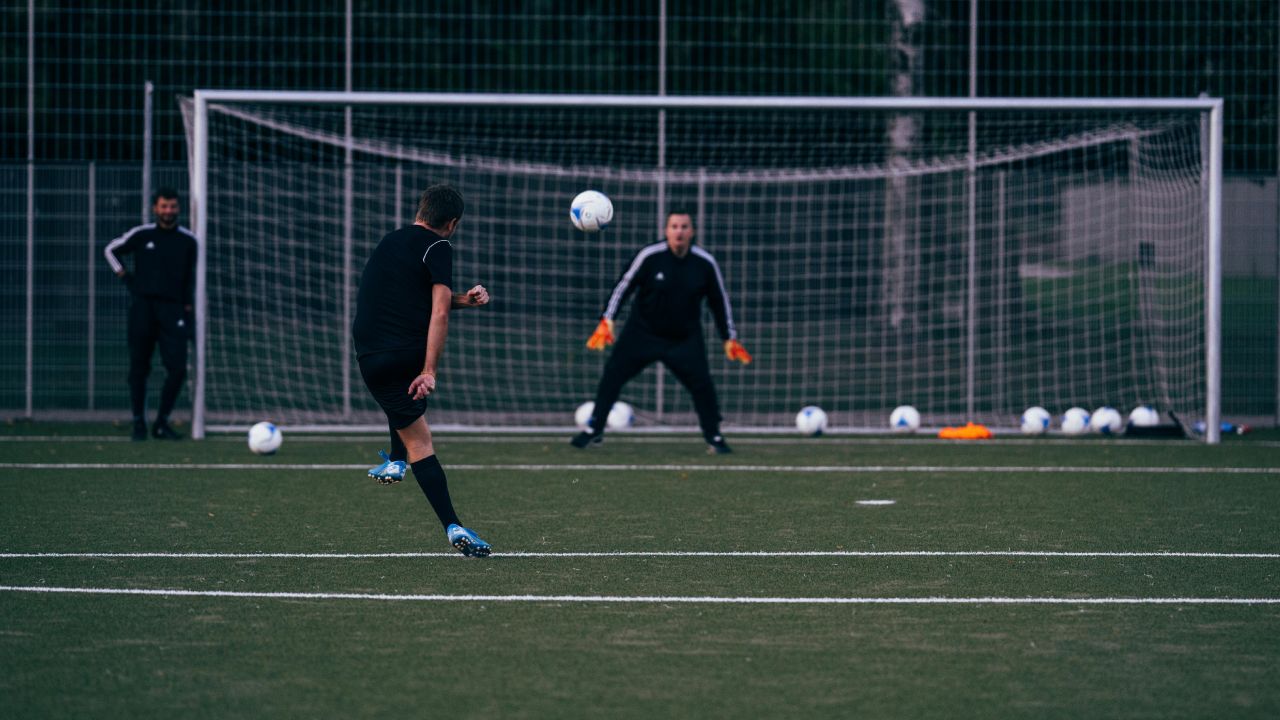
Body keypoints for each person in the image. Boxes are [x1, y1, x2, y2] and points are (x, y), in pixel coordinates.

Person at [352, 184, 494, 557]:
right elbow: (438, 312)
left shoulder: (390, 241)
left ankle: (396, 462)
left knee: (398, 400)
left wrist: (464, 298)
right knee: (421, 442)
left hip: (369, 355)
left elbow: (417, 300)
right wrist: (429, 370)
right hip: (405, 352)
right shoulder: (439, 246)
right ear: (452, 223)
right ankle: (453, 524)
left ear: (420, 210)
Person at [572, 210, 752, 454]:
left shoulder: (704, 263)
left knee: (703, 386)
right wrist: (607, 319)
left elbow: (719, 301)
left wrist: (729, 337)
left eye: (684, 226)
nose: (679, 231)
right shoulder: (650, 256)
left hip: (684, 339)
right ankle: (594, 430)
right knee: (612, 376)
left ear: (692, 232)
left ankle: (714, 437)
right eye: (674, 226)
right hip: (642, 334)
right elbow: (623, 286)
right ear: (666, 231)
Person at [103, 188, 197, 441]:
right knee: (139, 368)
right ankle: (138, 424)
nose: (168, 211)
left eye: (173, 206)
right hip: (143, 308)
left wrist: (188, 313)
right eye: (164, 206)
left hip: (172, 310)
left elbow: (190, 280)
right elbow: (110, 250)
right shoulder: (142, 235)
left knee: (177, 369)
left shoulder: (188, 241)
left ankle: (161, 423)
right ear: (155, 208)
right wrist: (126, 277)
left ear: (178, 208)